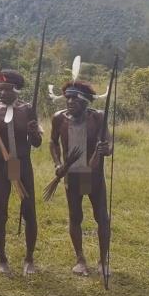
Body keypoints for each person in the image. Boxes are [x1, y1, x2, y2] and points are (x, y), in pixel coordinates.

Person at [0, 70, 42, 275]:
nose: (3, 93)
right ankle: (1, 259)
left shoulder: (28, 109)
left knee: (29, 211)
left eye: (7, 90)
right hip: (0, 166)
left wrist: (33, 132)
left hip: (22, 165)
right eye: (0, 89)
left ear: (16, 89)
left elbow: (37, 143)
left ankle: (29, 258)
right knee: (0, 212)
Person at [50, 78, 112, 277]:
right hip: (72, 176)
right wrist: (58, 164)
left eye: (74, 99)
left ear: (85, 101)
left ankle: (103, 261)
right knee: (75, 217)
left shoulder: (97, 117)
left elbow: (109, 144)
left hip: (92, 176)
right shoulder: (59, 118)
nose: (69, 102)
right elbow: (52, 143)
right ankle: (80, 259)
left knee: (101, 217)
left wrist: (105, 149)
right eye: (67, 98)